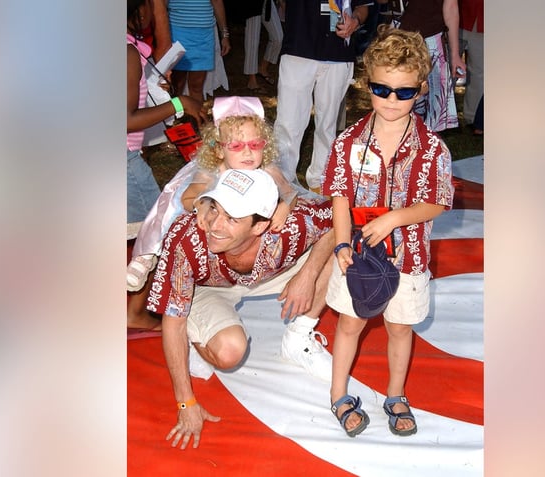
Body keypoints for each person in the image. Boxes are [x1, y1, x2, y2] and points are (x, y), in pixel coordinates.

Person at [321, 25, 454, 437]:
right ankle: (338, 393)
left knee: (400, 327)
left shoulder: (433, 149)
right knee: (349, 323)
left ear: (421, 89)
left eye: (404, 92)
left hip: (409, 256)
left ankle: (395, 394)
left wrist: (396, 218)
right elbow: (339, 196)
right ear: (367, 84)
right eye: (382, 89)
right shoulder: (347, 142)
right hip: (357, 255)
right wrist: (342, 242)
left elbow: (440, 200)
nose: (392, 100)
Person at [149, 168, 336, 449]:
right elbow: (172, 322)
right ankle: (198, 337)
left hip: (270, 272)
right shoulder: (185, 237)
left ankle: (299, 337)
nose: (214, 224)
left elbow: (337, 221)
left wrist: (308, 275)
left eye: (232, 218)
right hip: (207, 288)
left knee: (344, 254)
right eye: (214, 209)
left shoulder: (292, 224)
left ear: (261, 225)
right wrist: (186, 403)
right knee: (228, 353)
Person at [126, 96, 309, 299]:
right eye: (236, 146)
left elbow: (291, 193)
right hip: (213, 214)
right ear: (219, 149)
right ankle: (149, 252)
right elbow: (188, 197)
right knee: (175, 204)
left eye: (255, 144)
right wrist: (202, 204)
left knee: (297, 214)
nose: (247, 152)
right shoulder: (213, 168)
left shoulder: (267, 167)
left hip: (241, 221)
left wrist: (285, 206)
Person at [273, 0, 373, 191]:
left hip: (338, 53)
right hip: (299, 48)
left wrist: (355, 21)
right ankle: (282, 184)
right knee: (288, 123)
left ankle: (320, 183)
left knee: (328, 125)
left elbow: (362, 7)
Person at [127, 0, 206, 223]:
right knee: (154, 229)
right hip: (125, 161)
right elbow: (125, 119)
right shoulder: (127, 53)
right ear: (140, 11)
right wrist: (178, 103)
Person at [388, 0, 466, 132]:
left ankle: (427, 148)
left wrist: (455, 55)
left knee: (432, 112)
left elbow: (451, 7)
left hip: (432, 42)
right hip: (397, 40)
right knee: (396, 103)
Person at [152, 0, 232, 105]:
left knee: (197, 87)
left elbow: (217, 2)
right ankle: (175, 119)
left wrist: (225, 35)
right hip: (176, 33)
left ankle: (196, 119)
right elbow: (161, 5)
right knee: (175, 87)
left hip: (203, 36)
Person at [244, 0, 284, 91]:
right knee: (252, 42)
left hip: (267, 2)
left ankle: (262, 68)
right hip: (251, 5)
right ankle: (252, 80)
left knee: (278, 38)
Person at [459, 0, 483, 127]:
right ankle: (443, 116)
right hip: (454, 17)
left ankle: (472, 117)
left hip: (483, 22)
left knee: (478, 73)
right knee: (446, 71)